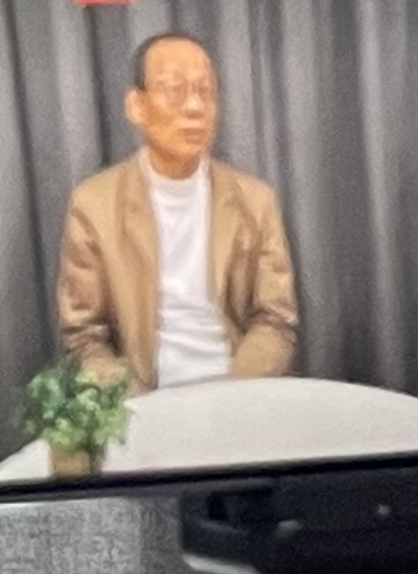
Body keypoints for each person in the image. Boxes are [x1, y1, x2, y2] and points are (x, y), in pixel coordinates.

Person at [53, 28, 298, 392]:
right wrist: (139, 405)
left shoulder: (255, 200)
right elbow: (83, 336)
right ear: (136, 106)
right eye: (174, 90)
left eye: (205, 92)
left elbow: (276, 320)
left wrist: (233, 395)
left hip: (238, 390)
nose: (195, 107)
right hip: (143, 397)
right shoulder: (94, 205)